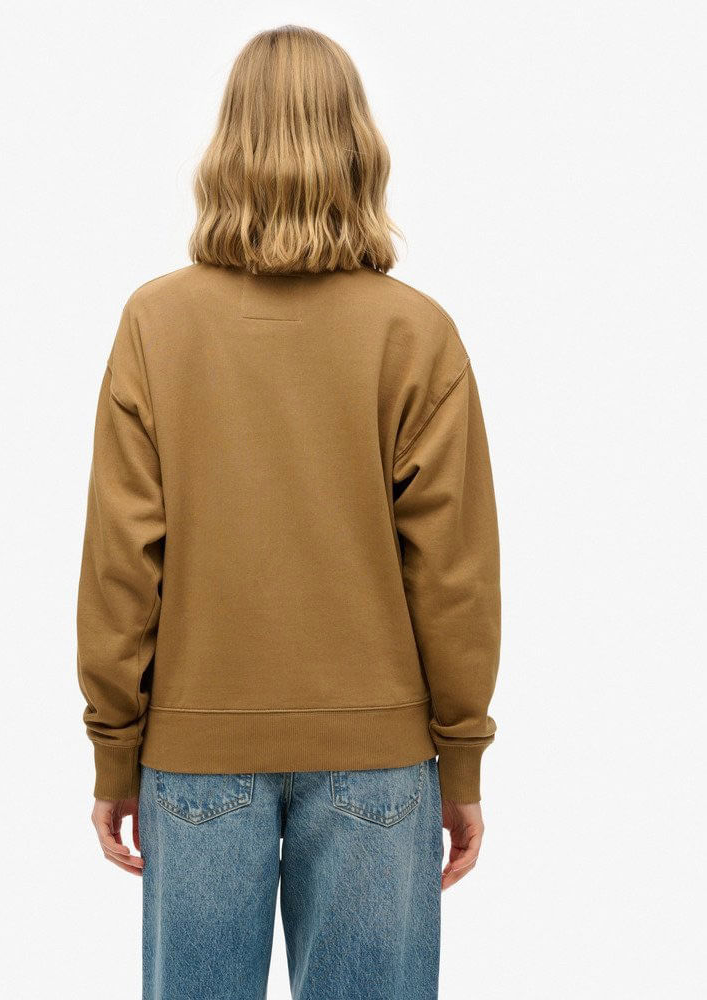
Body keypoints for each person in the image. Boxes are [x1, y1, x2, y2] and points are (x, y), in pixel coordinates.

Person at [77, 24, 500, 1000]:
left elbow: (121, 563)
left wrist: (114, 752)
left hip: (194, 754)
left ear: (226, 147)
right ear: (357, 145)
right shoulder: (415, 334)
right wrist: (462, 760)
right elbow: (455, 578)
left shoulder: (157, 324)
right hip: (377, 762)